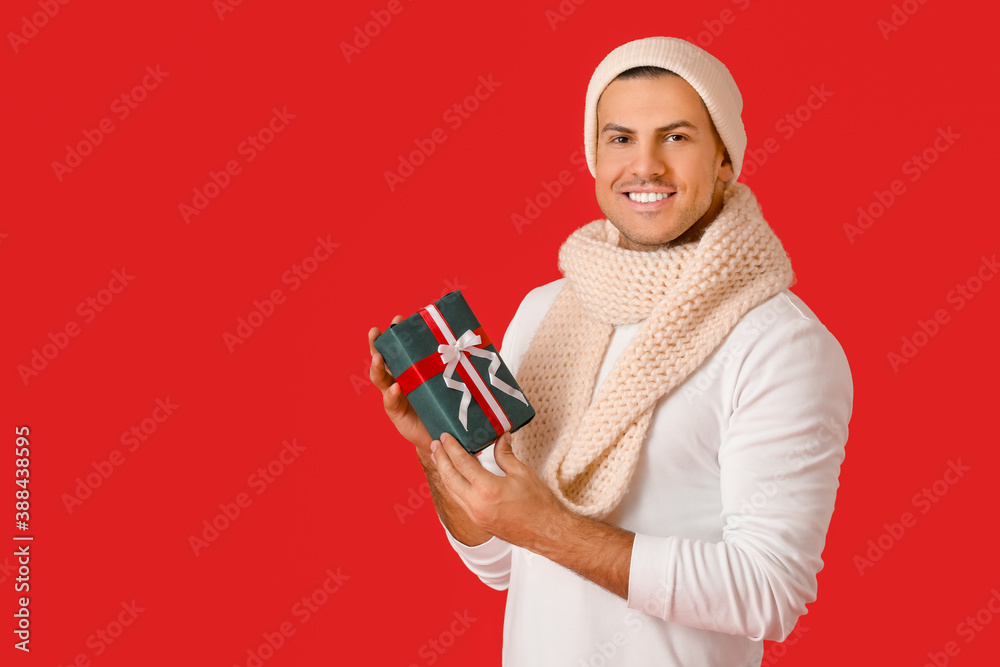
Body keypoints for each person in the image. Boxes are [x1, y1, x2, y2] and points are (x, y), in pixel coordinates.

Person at [368, 36, 853, 666]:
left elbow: (768, 590)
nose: (644, 165)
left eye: (676, 137)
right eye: (620, 138)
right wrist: (442, 452)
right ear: (594, 157)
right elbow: (503, 564)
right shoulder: (544, 310)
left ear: (725, 160)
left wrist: (550, 528)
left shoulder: (778, 342)